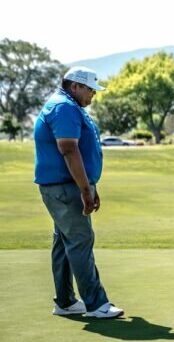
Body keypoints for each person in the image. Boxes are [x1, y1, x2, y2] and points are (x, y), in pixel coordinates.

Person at [33, 66, 124, 318]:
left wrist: (90, 184)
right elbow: (69, 149)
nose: (93, 95)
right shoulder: (64, 108)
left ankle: (66, 302)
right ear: (75, 86)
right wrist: (85, 189)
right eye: (90, 90)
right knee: (80, 240)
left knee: (64, 242)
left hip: (66, 186)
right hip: (65, 187)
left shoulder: (68, 106)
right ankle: (96, 304)